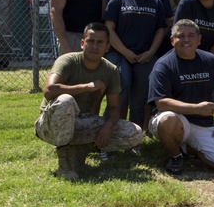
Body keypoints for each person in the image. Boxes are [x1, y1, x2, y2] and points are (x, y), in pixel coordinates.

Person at [35, 23, 143, 180]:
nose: (94, 46)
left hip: (81, 123)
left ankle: (80, 151)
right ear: (82, 43)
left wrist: (107, 126)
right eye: (90, 41)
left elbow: (114, 107)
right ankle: (64, 165)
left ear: (107, 47)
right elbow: (49, 90)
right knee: (65, 101)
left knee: (134, 132)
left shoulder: (110, 70)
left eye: (100, 42)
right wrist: (86, 87)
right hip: (50, 125)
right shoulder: (67, 61)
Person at [147, 20, 214, 174]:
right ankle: (176, 155)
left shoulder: (211, 61)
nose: (186, 40)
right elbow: (161, 103)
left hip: (203, 123)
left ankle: (191, 149)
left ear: (199, 40)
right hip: (175, 119)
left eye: (191, 36)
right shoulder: (163, 65)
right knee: (168, 121)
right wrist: (196, 108)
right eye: (180, 36)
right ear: (172, 40)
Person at [103, 0, 168, 133]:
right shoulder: (118, 0)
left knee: (139, 101)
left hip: (145, 57)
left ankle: (133, 138)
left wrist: (151, 52)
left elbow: (160, 30)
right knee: (119, 95)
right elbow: (109, 28)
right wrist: (125, 52)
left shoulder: (155, 2)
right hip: (120, 55)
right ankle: (107, 136)